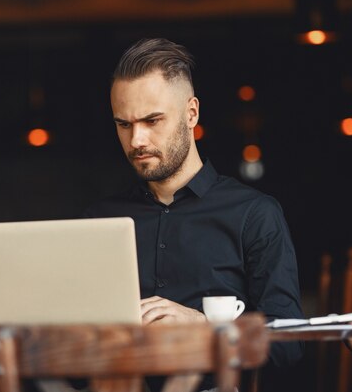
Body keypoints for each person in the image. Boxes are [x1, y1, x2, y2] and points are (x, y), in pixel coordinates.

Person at [84, 38, 304, 390]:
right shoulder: (98, 221)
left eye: (152, 120)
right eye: (124, 124)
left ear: (192, 114)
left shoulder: (255, 214)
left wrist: (204, 327)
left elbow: (288, 347)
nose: (137, 140)